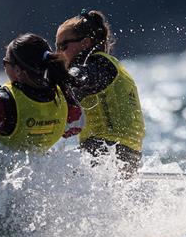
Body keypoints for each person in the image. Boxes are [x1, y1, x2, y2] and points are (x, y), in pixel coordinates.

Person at [55, 9, 145, 172]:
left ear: (85, 43)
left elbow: (77, 81)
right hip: (129, 158)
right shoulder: (113, 66)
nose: (58, 53)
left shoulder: (100, 67)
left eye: (63, 46)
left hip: (105, 153)